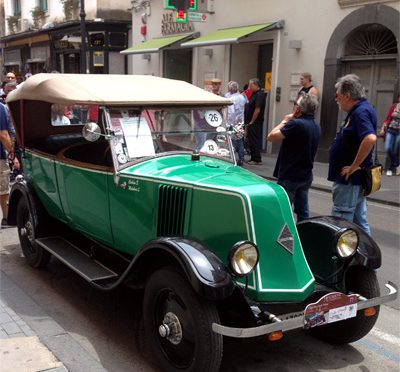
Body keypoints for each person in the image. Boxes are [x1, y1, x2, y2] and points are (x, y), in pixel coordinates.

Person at [328, 74, 377, 235]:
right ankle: (367, 255)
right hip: (354, 180)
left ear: (347, 95)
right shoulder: (361, 109)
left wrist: (353, 166)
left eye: (338, 96)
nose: (337, 99)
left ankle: (340, 257)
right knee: (359, 221)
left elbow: (370, 138)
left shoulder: (360, 112)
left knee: (341, 221)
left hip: (349, 179)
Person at [267, 94, 320, 221]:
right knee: (303, 211)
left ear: (298, 109)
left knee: (282, 212)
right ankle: (304, 235)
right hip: (306, 175)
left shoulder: (296, 124)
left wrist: (285, 120)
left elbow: (271, 136)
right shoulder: (315, 125)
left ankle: (283, 237)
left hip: (290, 174)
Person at [0, 102, 20, 228]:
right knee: (3, 189)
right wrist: (13, 156)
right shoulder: (1, 108)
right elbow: (3, 134)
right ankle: (7, 218)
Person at [225, 81, 246, 166]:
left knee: (231, 141)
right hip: (240, 122)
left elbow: (231, 112)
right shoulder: (242, 97)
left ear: (230, 89)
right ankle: (241, 158)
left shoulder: (231, 99)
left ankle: (232, 159)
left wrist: (228, 124)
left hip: (232, 123)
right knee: (240, 140)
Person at [245, 78, 265, 165]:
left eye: (251, 85)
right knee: (251, 140)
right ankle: (253, 157)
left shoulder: (259, 95)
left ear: (256, 85)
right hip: (251, 121)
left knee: (254, 140)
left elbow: (257, 109)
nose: (249, 87)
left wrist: (252, 121)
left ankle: (256, 159)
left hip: (255, 122)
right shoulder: (254, 94)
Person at [379, 95, 400, 176]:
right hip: (390, 130)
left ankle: (390, 169)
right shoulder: (394, 106)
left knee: (395, 151)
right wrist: (382, 129)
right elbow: (387, 118)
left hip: (399, 132)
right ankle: (397, 163)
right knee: (388, 148)